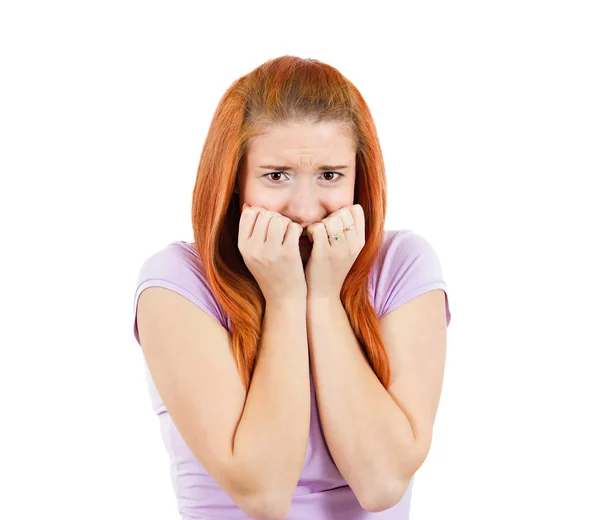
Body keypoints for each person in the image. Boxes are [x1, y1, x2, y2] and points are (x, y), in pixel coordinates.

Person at [132, 55, 451, 520]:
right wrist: (285, 299)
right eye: (276, 175)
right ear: (235, 181)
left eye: (330, 175)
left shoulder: (404, 265)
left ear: (359, 178)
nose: (304, 210)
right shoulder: (177, 283)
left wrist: (322, 299)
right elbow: (264, 495)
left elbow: (381, 483)